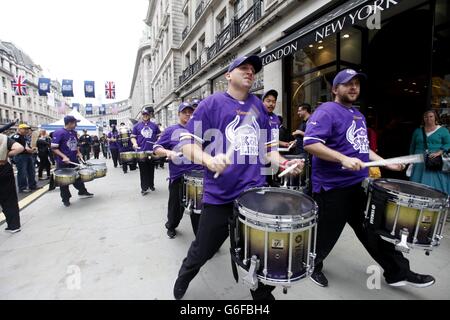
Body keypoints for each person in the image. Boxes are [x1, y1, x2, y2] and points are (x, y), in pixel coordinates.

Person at [173, 55, 303, 300]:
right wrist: (209, 160)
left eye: (253, 69)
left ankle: (262, 295)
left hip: (253, 195)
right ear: (228, 75)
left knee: (259, 252)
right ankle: (185, 276)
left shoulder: (259, 109)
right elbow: (188, 145)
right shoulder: (211, 104)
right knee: (203, 249)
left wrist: (285, 162)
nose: (250, 72)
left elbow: (267, 149)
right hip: (220, 196)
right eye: (243, 68)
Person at [303, 68, 435, 289]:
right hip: (332, 188)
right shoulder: (326, 111)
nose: (354, 87)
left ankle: (397, 271)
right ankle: (311, 266)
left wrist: (386, 162)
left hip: (358, 186)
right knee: (325, 233)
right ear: (335, 89)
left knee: (372, 230)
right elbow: (311, 143)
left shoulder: (358, 115)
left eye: (357, 83)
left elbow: (363, 150)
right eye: (347, 84)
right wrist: (342, 159)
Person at [154, 102, 203, 238]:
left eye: (191, 112)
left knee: (198, 210)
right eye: (185, 112)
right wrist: (168, 152)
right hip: (179, 176)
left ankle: (201, 240)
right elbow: (156, 148)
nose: (188, 114)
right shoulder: (171, 130)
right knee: (176, 207)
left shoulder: (200, 130)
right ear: (179, 114)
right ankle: (171, 225)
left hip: (199, 177)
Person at [51, 115, 94, 207]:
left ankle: (82, 191)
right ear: (70, 123)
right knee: (64, 182)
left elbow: (76, 144)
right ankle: (65, 199)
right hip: (63, 162)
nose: (76, 125)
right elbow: (54, 148)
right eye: (75, 123)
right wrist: (64, 157)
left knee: (78, 178)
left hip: (74, 160)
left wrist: (78, 152)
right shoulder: (58, 133)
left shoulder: (73, 132)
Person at [409, 110, 450, 194]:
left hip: (434, 160)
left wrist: (439, 152)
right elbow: (412, 146)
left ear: (435, 118)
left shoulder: (443, 131)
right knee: (416, 182)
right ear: (423, 119)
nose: (428, 119)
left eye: (431, 116)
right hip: (418, 160)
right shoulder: (418, 131)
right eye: (426, 117)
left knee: (435, 183)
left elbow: (448, 143)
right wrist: (410, 159)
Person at [131, 107, 161, 195]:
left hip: (152, 151)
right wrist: (134, 143)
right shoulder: (136, 126)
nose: (145, 116)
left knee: (151, 169)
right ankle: (144, 188)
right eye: (144, 114)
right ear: (141, 115)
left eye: (147, 114)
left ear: (149, 115)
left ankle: (151, 185)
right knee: (143, 170)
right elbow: (133, 137)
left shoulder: (154, 125)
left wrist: (158, 142)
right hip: (141, 151)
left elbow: (159, 136)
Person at [0, 133, 24, 233]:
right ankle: (14, 225)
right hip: (3, 167)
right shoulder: (3, 137)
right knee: (9, 198)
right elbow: (19, 148)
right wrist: (6, 154)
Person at [11, 124, 37, 193]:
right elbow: (16, 147)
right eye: (25, 129)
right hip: (20, 156)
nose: (27, 130)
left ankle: (32, 185)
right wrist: (29, 150)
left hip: (28, 155)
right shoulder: (16, 136)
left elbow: (26, 145)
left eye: (27, 129)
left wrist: (31, 149)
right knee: (22, 172)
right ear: (19, 129)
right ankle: (22, 187)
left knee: (31, 171)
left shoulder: (25, 136)